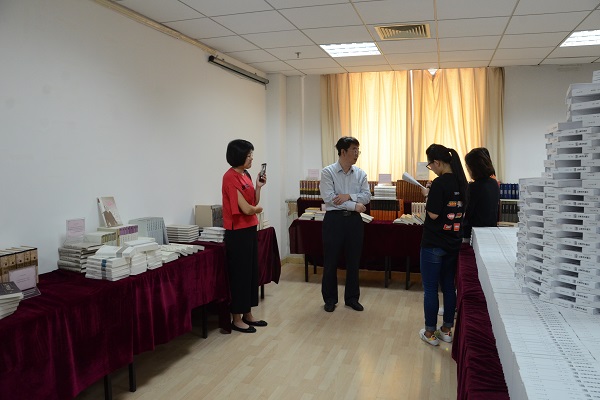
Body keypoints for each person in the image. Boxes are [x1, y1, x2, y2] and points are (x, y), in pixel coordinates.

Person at [419, 144, 468, 346]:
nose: (431, 168)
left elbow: (433, 214)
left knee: (431, 289)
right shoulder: (462, 181)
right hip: (453, 242)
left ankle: (430, 332)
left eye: (430, 165)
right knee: (449, 286)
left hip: (433, 243)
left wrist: (428, 195)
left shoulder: (440, 183)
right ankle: (447, 330)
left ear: (437, 162)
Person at [319, 136, 371, 312]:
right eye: (353, 150)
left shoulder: (361, 174)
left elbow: (367, 196)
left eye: (358, 150)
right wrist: (354, 205)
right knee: (331, 261)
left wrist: (348, 196)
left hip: (354, 222)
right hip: (334, 221)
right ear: (343, 152)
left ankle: (352, 298)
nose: (357, 153)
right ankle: (330, 299)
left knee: (353, 261)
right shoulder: (328, 172)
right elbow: (330, 199)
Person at [222, 139, 267, 333]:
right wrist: (257, 209)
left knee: (250, 273)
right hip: (237, 232)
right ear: (238, 156)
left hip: (249, 229)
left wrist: (258, 187)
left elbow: (253, 202)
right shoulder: (229, 177)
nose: (251, 158)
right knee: (239, 275)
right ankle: (236, 318)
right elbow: (247, 209)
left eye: (251, 155)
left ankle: (248, 313)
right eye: (249, 155)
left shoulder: (246, 175)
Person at [462, 147, 500, 241]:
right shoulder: (494, 183)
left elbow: (468, 213)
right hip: (491, 231)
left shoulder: (474, 187)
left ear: (473, 168)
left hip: (474, 235)